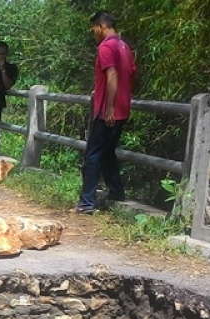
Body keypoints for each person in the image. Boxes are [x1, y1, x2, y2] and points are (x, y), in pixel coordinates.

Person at [76, 11, 137, 214]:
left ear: (101, 26)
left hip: (107, 111)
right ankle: (116, 191)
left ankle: (87, 202)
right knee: (108, 152)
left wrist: (109, 107)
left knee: (93, 155)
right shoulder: (124, 47)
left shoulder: (106, 47)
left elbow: (112, 75)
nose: (93, 33)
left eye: (93, 29)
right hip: (123, 109)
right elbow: (130, 75)